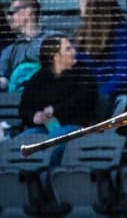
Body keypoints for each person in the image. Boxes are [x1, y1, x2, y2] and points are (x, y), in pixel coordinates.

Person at [18, 34, 98, 166]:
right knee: (19, 146)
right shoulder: (39, 79)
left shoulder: (83, 73)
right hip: (43, 128)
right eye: (68, 49)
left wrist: (54, 110)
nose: (74, 51)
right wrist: (34, 117)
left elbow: (83, 100)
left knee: (50, 146)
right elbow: (24, 108)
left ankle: (48, 184)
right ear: (56, 57)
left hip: (75, 126)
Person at [74, 0, 127, 118]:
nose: (80, 5)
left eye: (83, 1)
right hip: (89, 89)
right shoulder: (82, 33)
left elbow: (123, 73)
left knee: (101, 98)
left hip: (111, 91)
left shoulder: (122, 34)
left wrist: (100, 91)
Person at [0, 0, 56, 92]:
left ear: (27, 12)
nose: (8, 17)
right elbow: (4, 79)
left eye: (12, 13)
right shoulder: (10, 50)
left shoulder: (54, 40)